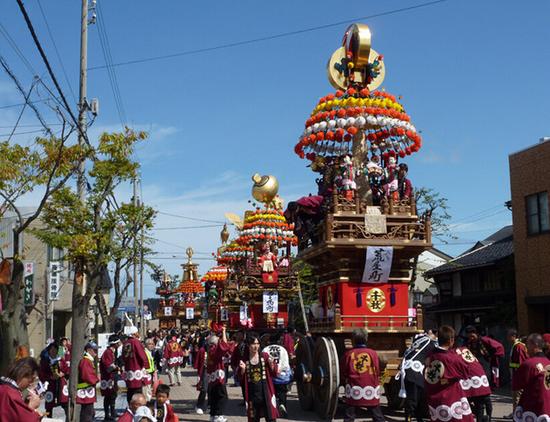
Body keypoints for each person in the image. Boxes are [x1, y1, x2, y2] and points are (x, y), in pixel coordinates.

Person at [424, 326, 473, 422]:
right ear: (451, 340)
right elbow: (466, 371)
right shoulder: (452, 358)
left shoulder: (430, 355)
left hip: (434, 395)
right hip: (451, 395)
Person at [342, 328, 384, 422]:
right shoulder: (373, 353)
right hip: (371, 388)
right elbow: (377, 370)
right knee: (377, 415)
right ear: (366, 339)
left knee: (349, 415)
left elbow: (344, 371)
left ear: (353, 340)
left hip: (354, 388)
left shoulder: (348, 354)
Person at [396, 332, 436, 422]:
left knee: (418, 397)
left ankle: (418, 418)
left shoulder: (420, 339)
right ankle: (409, 418)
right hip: (414, 371)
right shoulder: (432, 343)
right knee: (413, 399)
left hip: (407, 369)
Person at [238, 333, 278, 422]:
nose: (256, 346)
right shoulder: (245, 359)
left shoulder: (264, 356)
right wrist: (243, 369)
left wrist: (272, 365)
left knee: (271, 418)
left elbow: (274, 373)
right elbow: (240, 378)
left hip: (265, 392)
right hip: (252, 394)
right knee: (253, 418)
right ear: (248, 345)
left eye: (257, 344)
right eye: (253, 344)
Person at [512, 333, 550, 421]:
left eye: (527, 344)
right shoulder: (548, 362)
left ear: (534, 345)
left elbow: (516, 386)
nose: (526, 348)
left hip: (534, 407)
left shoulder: (529, 364)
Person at [455, 346, 492, 422]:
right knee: (480, 405)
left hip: (470, 382)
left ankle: (482, 418)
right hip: (481, 380)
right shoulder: (469, 353)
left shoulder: (455, 354)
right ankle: (484, 418)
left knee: (464, 402)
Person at [0, 357, 42, 421]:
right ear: (22, 374)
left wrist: (25, 404)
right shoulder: (11, 394)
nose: (31, 383)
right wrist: (31, 407)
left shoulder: (4, 387)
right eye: (32, 379)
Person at [207, 326, 233, 422]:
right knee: (222, 396)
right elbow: (225, 346)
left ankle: (213, 415)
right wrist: (224, 332)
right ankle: (219, 415)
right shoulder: (215, 349)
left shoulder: (210, 349)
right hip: (218, 377)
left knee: (214, 396)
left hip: (212, 376)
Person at [39, 340, 69, 418]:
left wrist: (63, 373)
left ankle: (69, 418)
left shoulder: (61, 360)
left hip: (61, 384)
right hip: (50, 385)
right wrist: (49, 377)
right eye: (52, 350)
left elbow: (67, 370)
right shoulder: (45, 361)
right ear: (49, 351)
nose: (53, 351)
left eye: (55, 349)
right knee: (49, 405)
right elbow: (41, 373)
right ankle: (49, 419)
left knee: (65, 402)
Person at [123, 326, 150, 405]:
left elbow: (123, 357)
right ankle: (138, 406)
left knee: (130, 390)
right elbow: (142, 355)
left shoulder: (125, 343)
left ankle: (130, 405)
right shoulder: (136, 342)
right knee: (137, 390)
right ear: (134, 334)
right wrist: (146, 366)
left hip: (129, 370)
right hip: (137, 369)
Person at [77, 341, 100, 422]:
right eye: (95, 350)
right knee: (87, 414)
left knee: (89, 412)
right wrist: (96, 379)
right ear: (89, 350)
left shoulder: (88, 360)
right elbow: (86, 376)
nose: (96, 353)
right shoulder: (86, 361)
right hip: (85, 392)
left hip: (87, 392)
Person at [507, 329, 528, 413]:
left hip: (518, 377)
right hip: (516, 376)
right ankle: (515, 413)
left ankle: (517, 415)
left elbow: (520, 364)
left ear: (514, 336)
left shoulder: (518, 346)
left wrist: (510, 365)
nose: (507, 338)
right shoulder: (515, 345)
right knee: (516, 397)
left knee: (517, 397)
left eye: (509, 336)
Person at [101, 334, 121, 421]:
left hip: (112, 377)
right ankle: (106, 415)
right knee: (108, 396)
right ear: (115, 343)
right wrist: (117, 367)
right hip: (107, 377)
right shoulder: (108, 352)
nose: (119, 344)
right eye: (118, 342)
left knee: (113, 395)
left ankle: (112, 412)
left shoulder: (113, 352)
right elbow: (108, 366)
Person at [194, 336, 208, 415]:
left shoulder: (216, 348)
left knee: (212, 390)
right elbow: (197, 363)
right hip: (205, 371)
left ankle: (210, 406)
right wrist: (199, 374)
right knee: (204, 389)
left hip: (214, 371)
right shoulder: (202, 350)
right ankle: (199, 405)